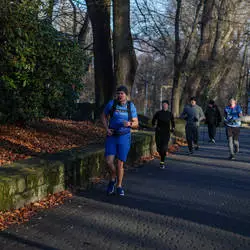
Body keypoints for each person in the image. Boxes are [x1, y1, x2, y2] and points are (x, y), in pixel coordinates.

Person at [101, 85, 138, 196]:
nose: (120, 95)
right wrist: (107, 129)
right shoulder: (112, 104)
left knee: (120, 164)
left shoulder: (130, 106)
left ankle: (119, 185)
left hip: (124, 136)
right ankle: (113, 178)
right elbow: (103, 116)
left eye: (122, 93)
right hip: (112, 135)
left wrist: (130, 124)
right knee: (109, 161)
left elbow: (136, 123)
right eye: (118, 93)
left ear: (126, 95)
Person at [152, 100, 175, 169]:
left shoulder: (170, 114)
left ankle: (162, 162)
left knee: (164, 147)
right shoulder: (158, 113)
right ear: (162, 105)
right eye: (163, 104)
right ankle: (161, 154)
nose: (164, 105)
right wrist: (153, 125)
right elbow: (153, 119)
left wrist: (173, 128)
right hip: (158, 132)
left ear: (168, 106)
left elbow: (173, 122)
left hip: (166, 132)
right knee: (158, 147)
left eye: (166, 104)